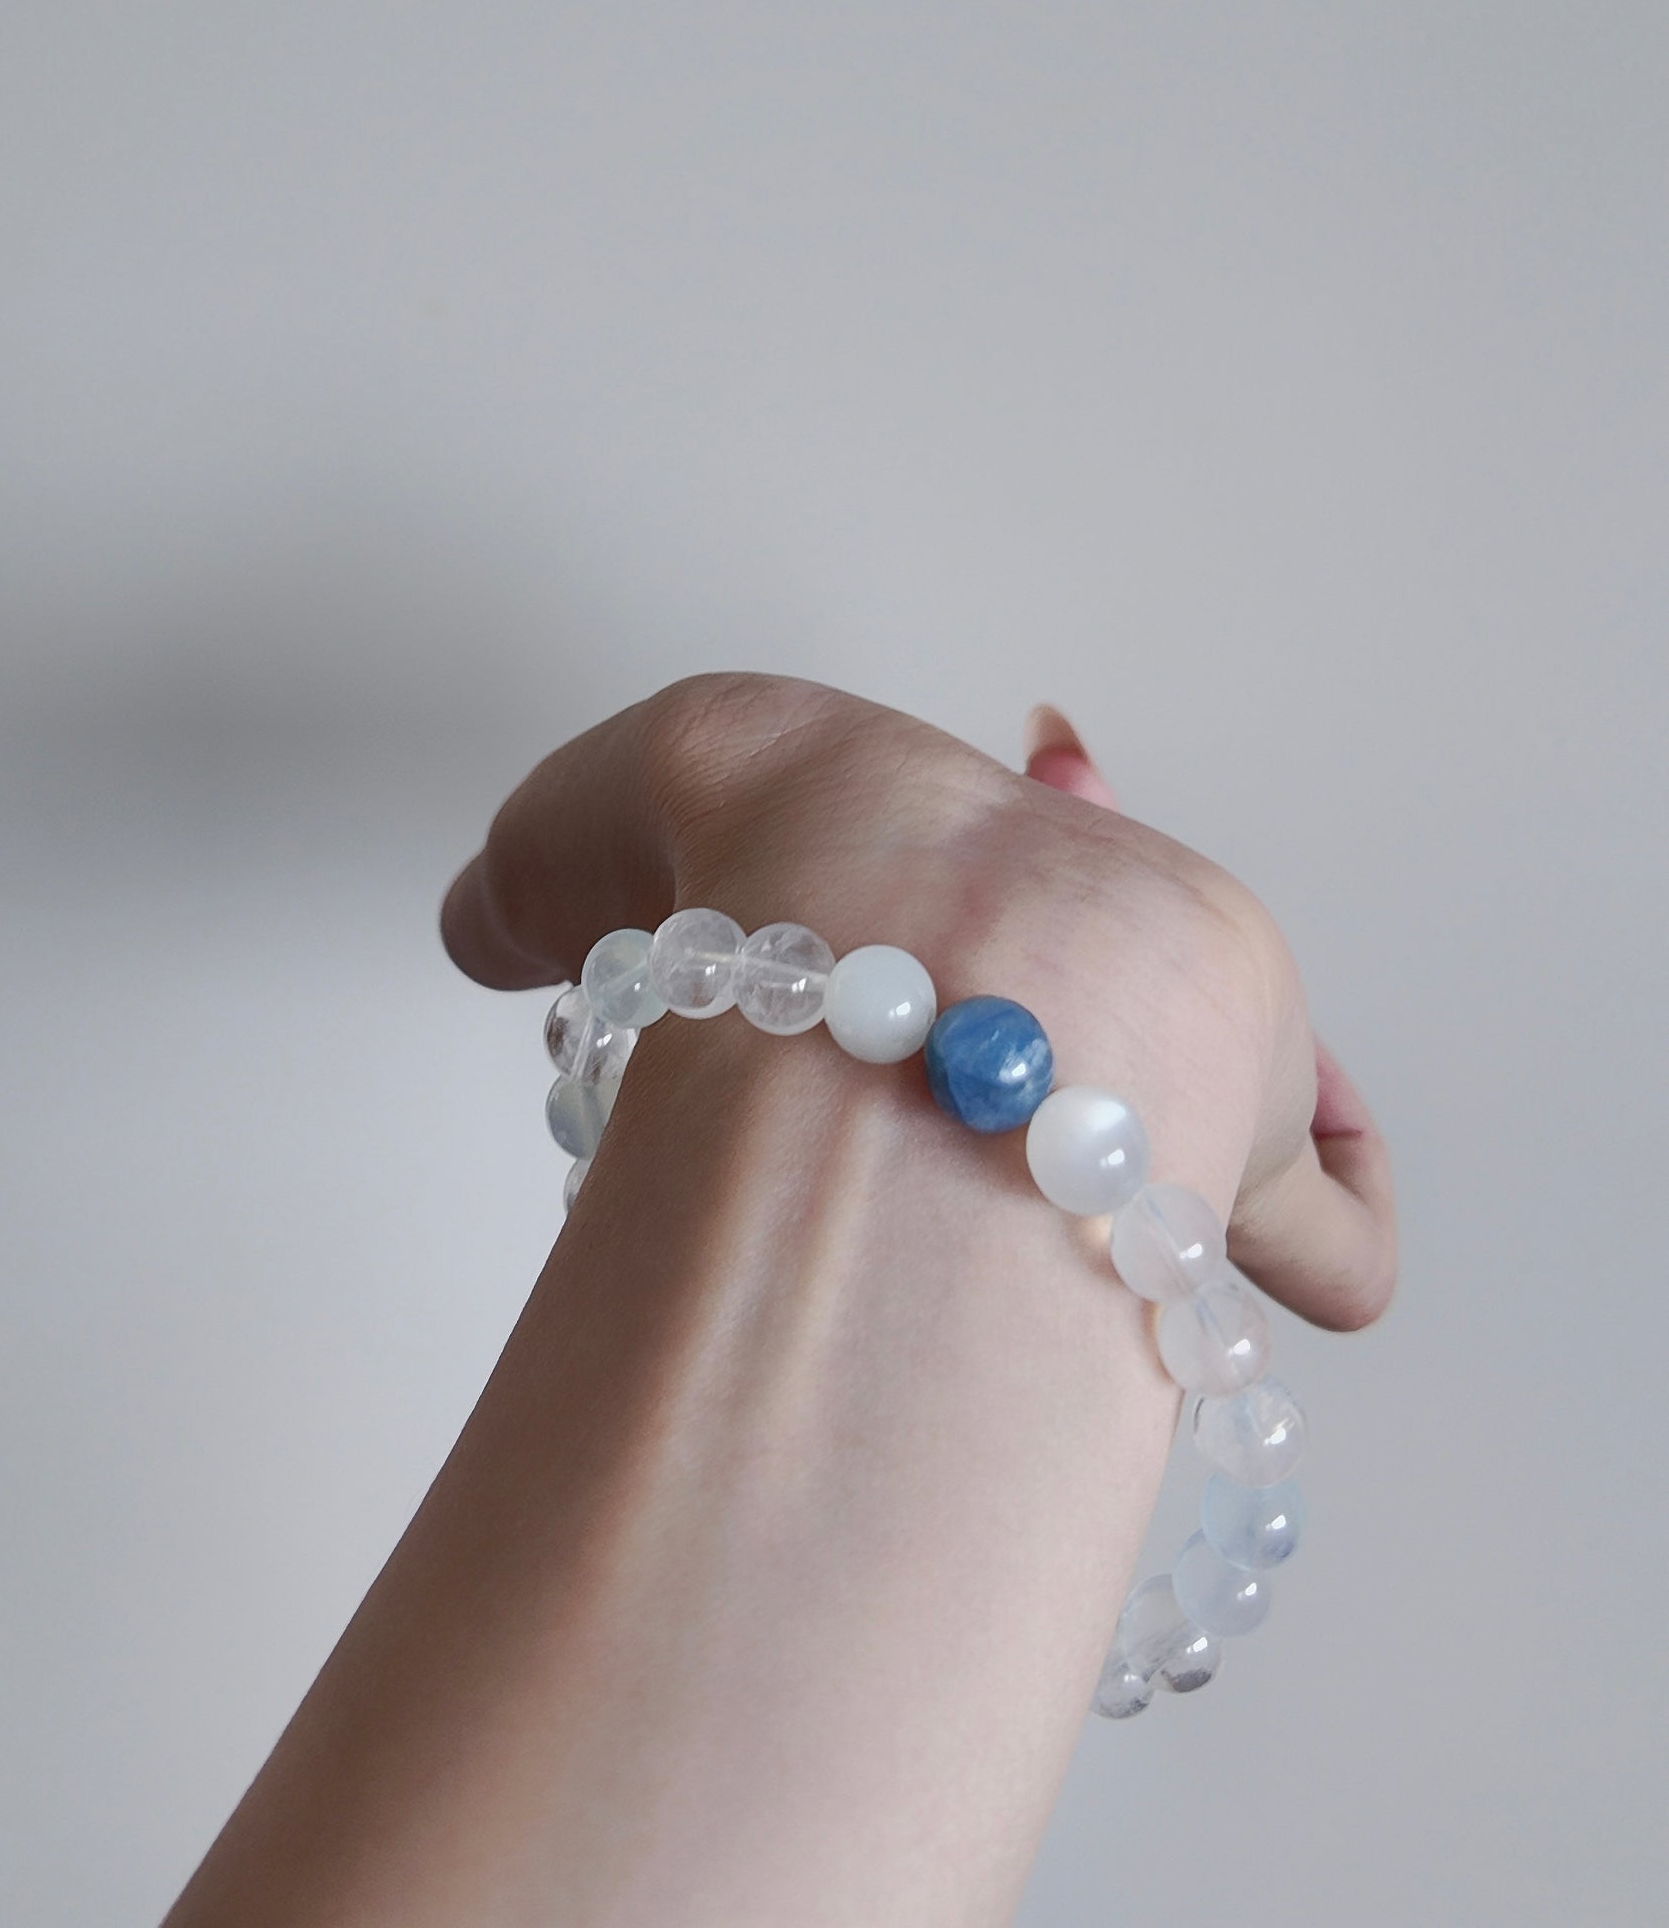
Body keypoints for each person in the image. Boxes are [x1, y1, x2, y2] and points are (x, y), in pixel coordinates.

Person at [164, 673, 1396, 1926]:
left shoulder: (733, 754)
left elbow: (479, 922)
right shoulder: (1197, 986)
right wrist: (1154, 1020)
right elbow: (1353, 1278)